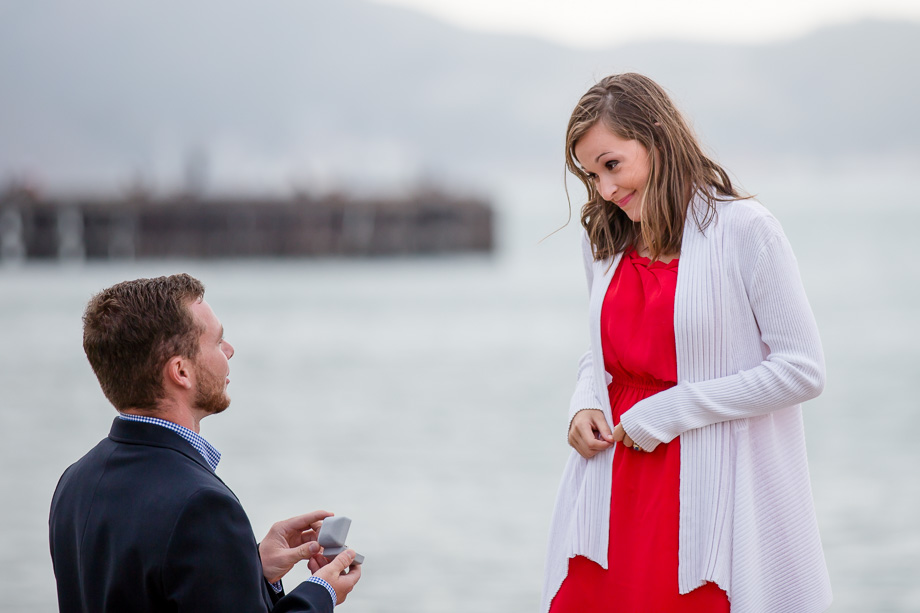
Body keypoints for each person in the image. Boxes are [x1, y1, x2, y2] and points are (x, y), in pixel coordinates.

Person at [541, 73, 832, 613]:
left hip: (705, 489)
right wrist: (583, 400)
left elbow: (802, 369)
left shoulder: (746, 229)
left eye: (612, 165)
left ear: (655, 139)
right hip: (608, 486)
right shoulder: (604, 237)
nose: (605, 190)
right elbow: (600, 352)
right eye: (591, 174)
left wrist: (673, 409)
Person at [49, 274, 362, 612]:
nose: (230, 350)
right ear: (181, 372)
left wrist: (250, 567)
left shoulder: (74, 482)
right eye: (217, 341)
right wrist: (320, 593)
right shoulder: (203, 505)